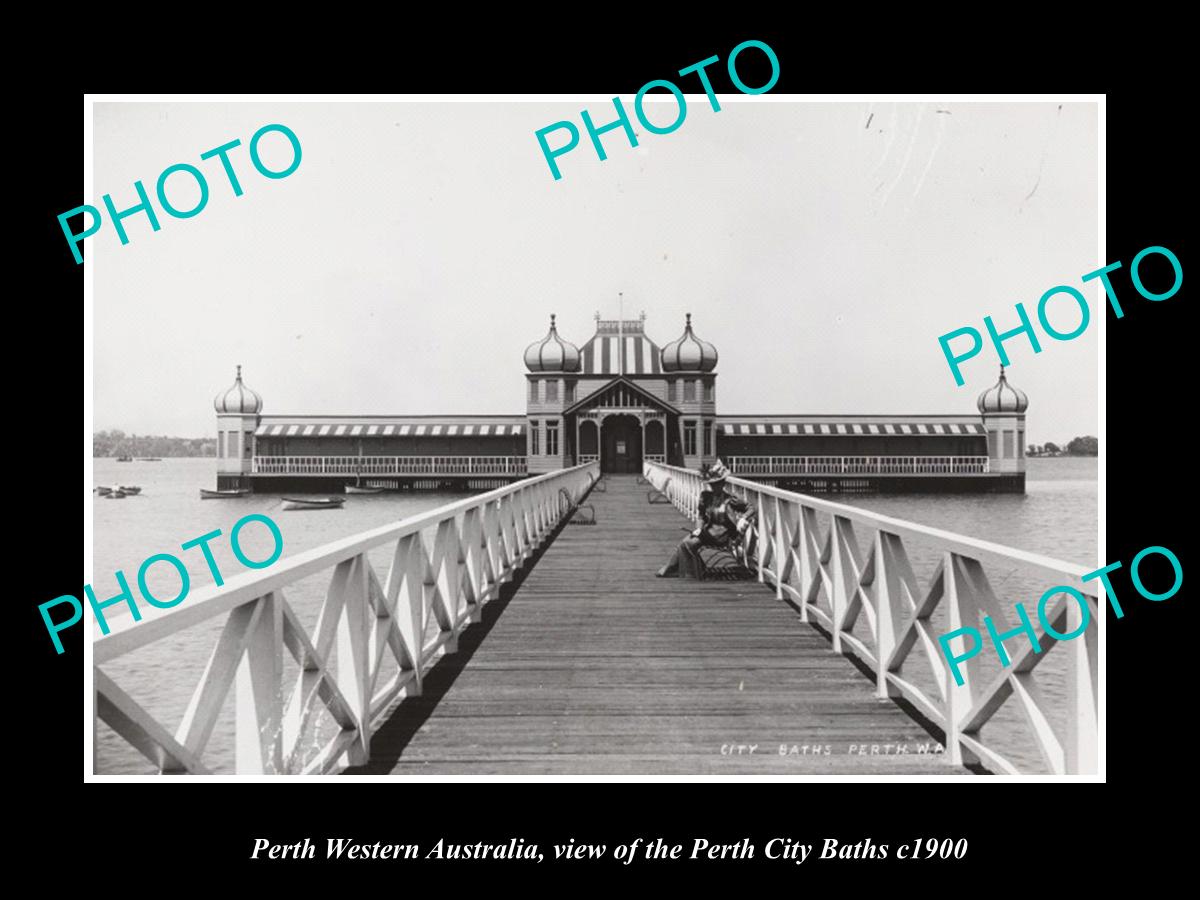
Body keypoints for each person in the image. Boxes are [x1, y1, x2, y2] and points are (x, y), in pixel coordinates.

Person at [656, 460, 755, 578]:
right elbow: (701, 516)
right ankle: (690, 570)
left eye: (717, 484)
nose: (714, 487)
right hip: (708, 532)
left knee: (688, 543)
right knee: (685, 542)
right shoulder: (706, 497)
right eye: (712, 484)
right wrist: (698, 528)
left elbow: (752, 508)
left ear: (723, 483)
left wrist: (744, 518)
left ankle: (688, 571)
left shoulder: (731, 499)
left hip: (723, 536)